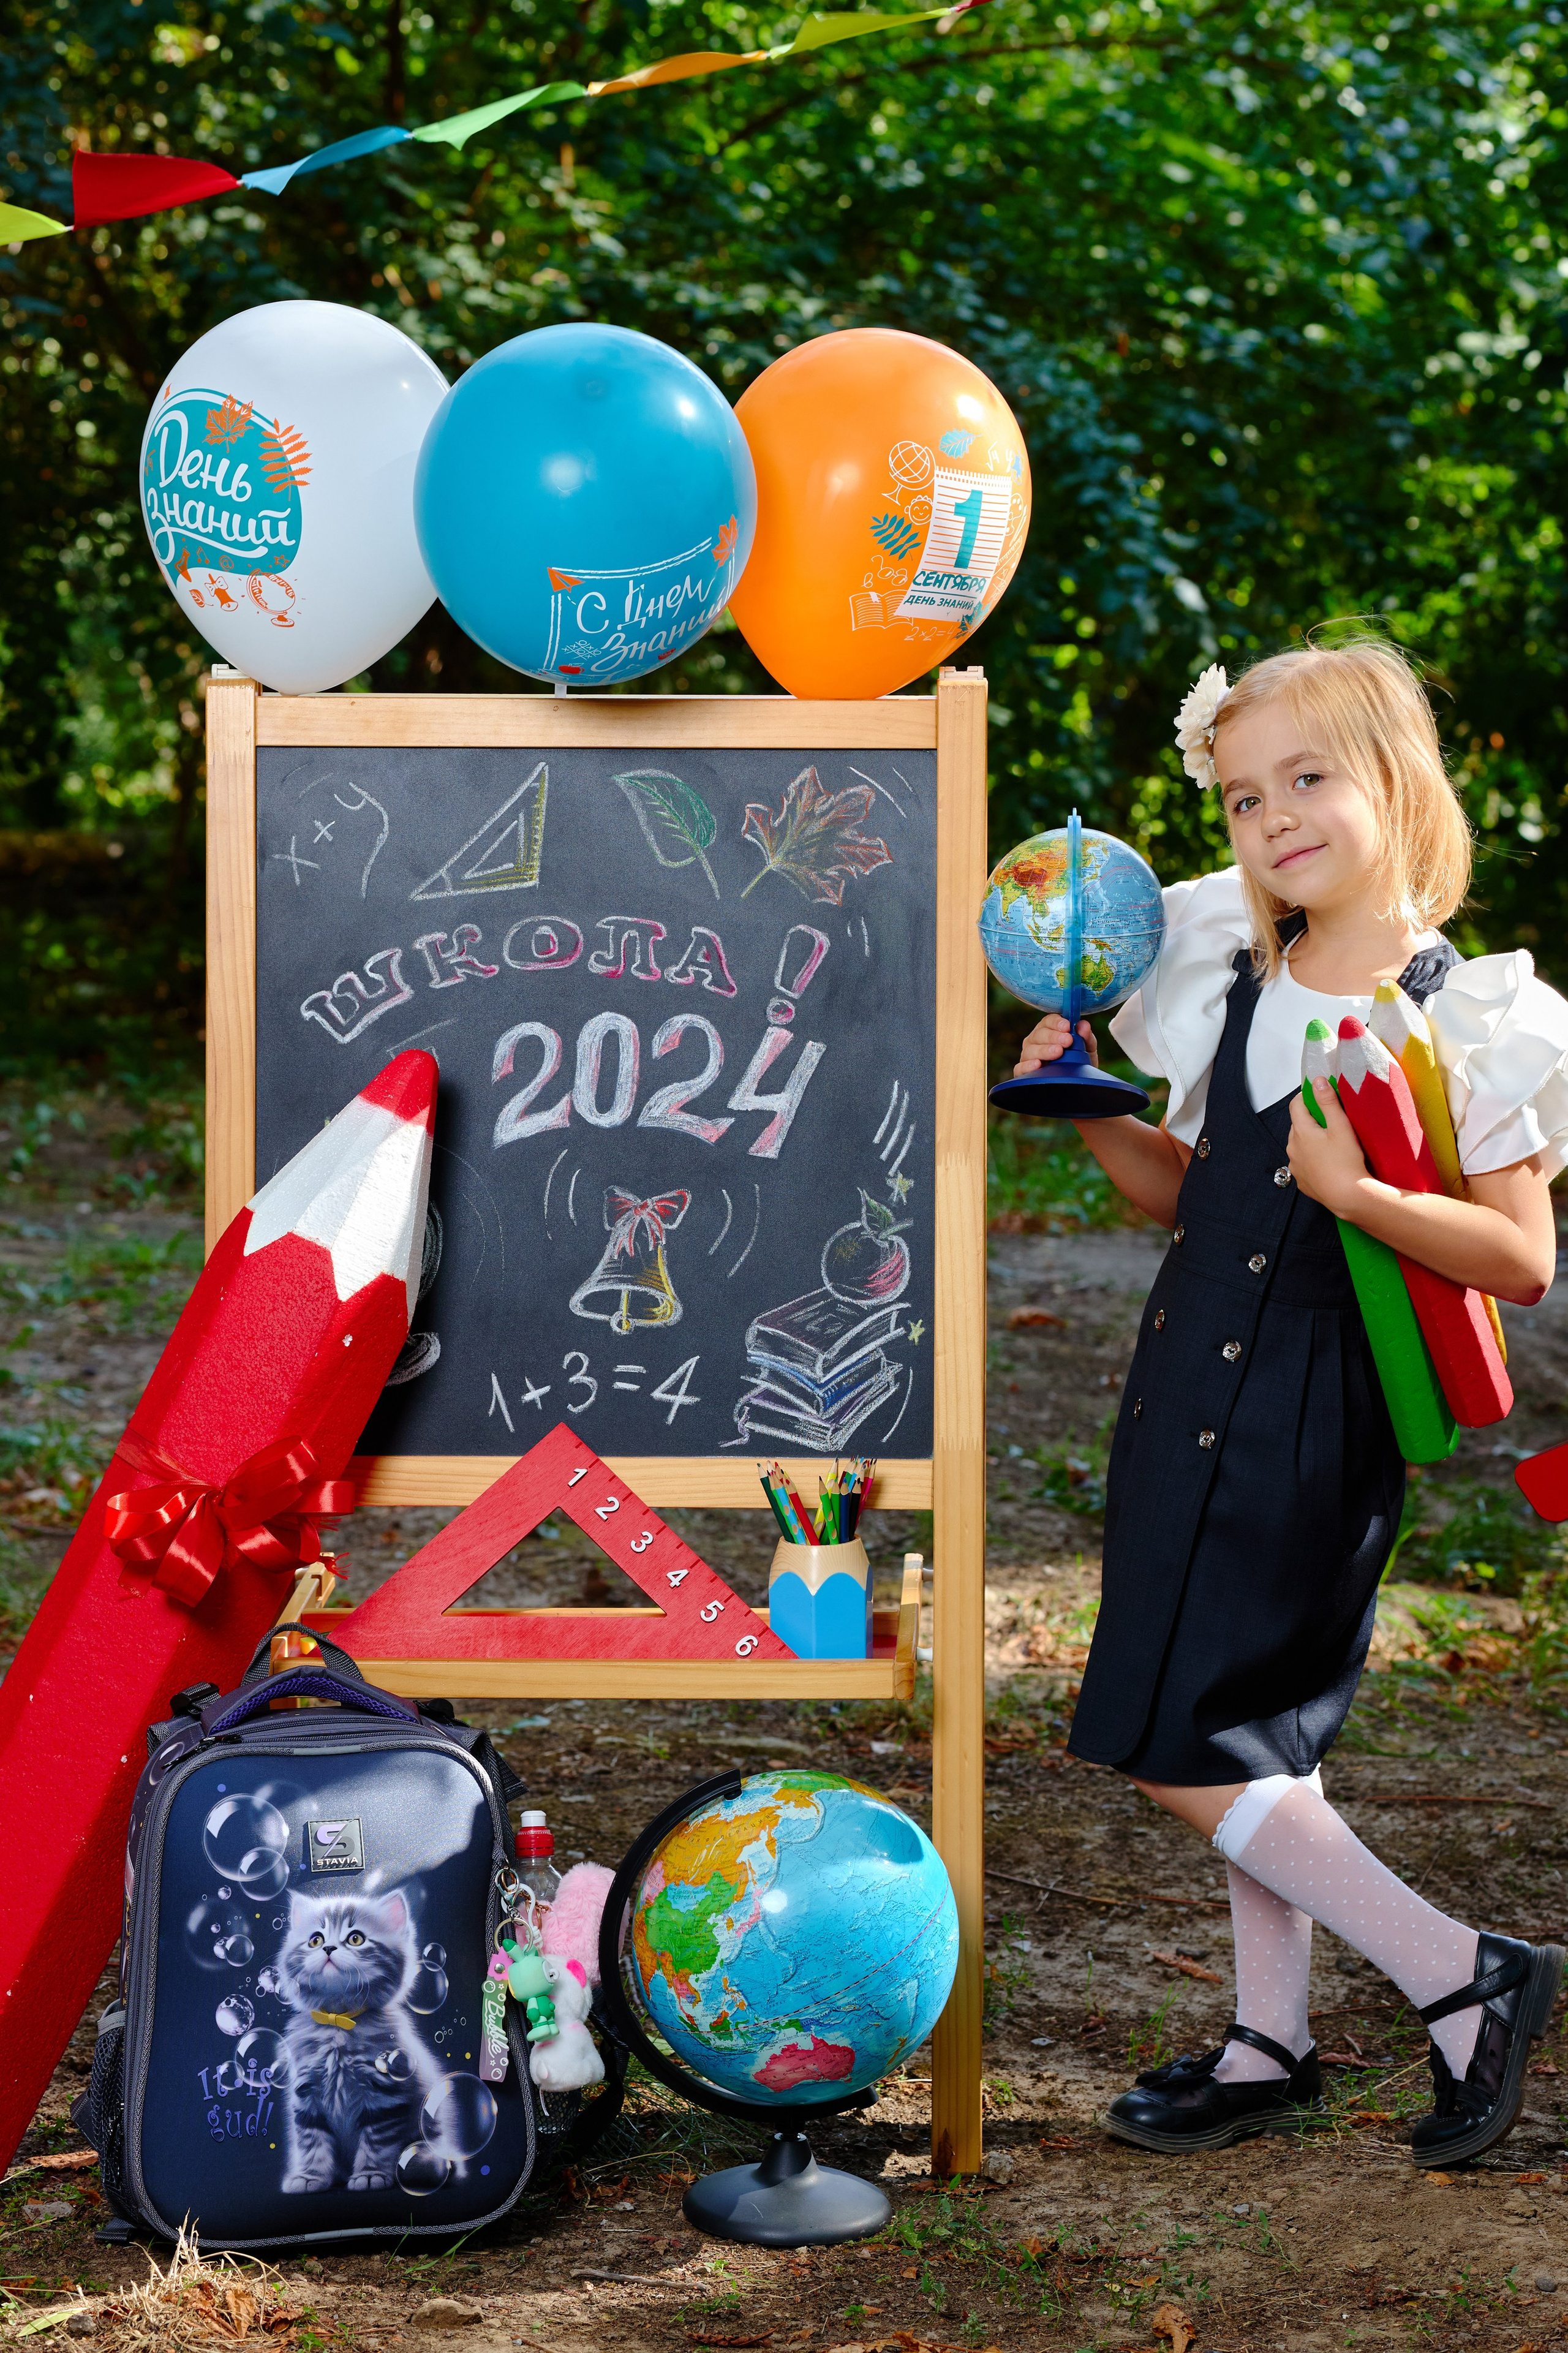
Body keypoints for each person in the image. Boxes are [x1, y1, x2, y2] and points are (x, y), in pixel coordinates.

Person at [1015, 635, 1567, 2166]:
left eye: (1306, 780)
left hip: (1315, 1419)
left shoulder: (1467, 1012)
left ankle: (1462, 1973)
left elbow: (1519, 1254)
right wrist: (1088, 1111)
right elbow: (1192, 1196)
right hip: (1181, 1381)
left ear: (1394, 779)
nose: (1272, 820)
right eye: (1246, 797)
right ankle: (1270, 2039)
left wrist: (1359, 1191)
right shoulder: (1242, 980)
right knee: (1255, 1738)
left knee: (1176, 1740)